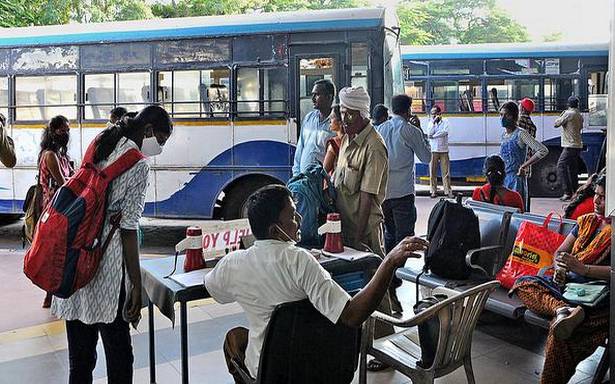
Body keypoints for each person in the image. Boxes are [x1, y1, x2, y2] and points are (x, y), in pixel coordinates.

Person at [205, 185, 429, 383]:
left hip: (273, 373)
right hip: (322, 368)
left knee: (234, 338)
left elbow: (215, 290)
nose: (300, 219)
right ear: (275, 230)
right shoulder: (301, 261)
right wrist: (388, 262)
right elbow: (352, 315)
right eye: (293, 216)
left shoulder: (233, 264)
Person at [51, 106, 173, 384]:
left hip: (76, 264)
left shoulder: (101, 140)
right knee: (120, 360)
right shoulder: (138, 164)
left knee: (79, 364)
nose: (160, 148)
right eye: (161, 141)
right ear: (149, 131)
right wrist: (135, 287)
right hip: (107, 272)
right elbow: (128, 230)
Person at [511, 175, 609, 384]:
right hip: (568, 289)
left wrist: (584, 269)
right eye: (596, 195)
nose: (597, 202)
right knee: (524, 283)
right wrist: (560, 267)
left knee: (560, 335)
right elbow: (560, 252)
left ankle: (565, 314)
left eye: (603, 197)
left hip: (598, 298)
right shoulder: (587, 221)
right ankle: (562, 310)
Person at [333, 86, 396, 370]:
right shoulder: (348, 138)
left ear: (361, 114)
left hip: (365, 229)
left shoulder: (375, 146)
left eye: (348, 115)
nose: (343, 120)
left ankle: (385, 350)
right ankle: (359, 337)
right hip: (343, 227)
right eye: (342, 114)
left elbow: (369, 199)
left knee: (376, 286)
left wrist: (358, 240)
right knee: (353, 287)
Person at [38, 115, 75, 308]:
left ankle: (53, 294)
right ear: (53, 132)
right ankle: (50, 295)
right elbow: (64, 184)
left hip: (62, 209)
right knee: (56, 253)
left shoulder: (61, 155)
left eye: (68, 130)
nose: (66, 134)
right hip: (54, 210)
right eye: (62, 130)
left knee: (62, 251)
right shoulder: (50, 156)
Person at [499, 101, 548, 206]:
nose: (502, 118)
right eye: (501, 115)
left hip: (516, 180)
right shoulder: (504, 135)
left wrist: (524, 166)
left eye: (506, 115)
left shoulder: (521, 134)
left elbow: (542, 150)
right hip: (504, 180)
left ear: (514, 116)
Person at [292, 79, 335, 176]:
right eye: (313, 94)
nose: (313, 99)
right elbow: (300, 148)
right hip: (303, 178)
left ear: (329, 97)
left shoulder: (336, 123)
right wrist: (296, 174)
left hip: (322, 182)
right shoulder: (309, 118)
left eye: (317, 95)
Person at [555, 96, 584, 201]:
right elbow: (580, 127)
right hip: (577, 145)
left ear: (568, 104)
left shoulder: (568, 114)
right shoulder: (579, 115)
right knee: (572, 170)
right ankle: (575, 193)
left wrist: (562, 114)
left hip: (569, 146)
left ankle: (567, 192)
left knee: (560, 166)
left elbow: (556, 124)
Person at [427, 105, 451, 198]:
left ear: (439, 114)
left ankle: (447, 191)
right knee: (432, 172)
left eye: (435, 113)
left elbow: (445, 132)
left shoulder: (446, 122)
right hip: (433, 150)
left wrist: (434, 136)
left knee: (446, 172)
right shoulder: (431, 123)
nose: (433, 115)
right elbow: (429, 134)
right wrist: (433, 123)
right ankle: (433, 191)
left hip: (444, 149)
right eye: (432, 114)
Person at [517, 98, 537, 210]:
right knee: (525, 189)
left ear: (522, 109)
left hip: (518, 161)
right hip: (528, 162)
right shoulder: (532, 126)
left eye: (520, 105)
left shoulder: (517, 122)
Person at [323, 105, 344, 176]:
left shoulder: (334, 143)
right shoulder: (353, 139)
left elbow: (324, 170)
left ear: (340, 121)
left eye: (332, 117)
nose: (329, 120)